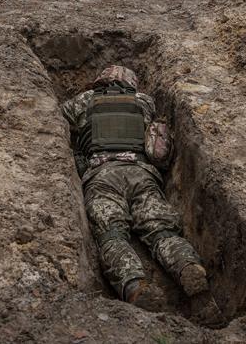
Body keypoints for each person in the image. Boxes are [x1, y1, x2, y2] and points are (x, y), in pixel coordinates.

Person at [61, 66, 221, 323]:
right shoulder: (145, 101)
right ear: (131, 82)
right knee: (162, 230)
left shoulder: (82, 101)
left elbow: (56, 123)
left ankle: (135, 286)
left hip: (102, 176)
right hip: (142, 173)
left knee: (112, 233)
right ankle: (187, 267)